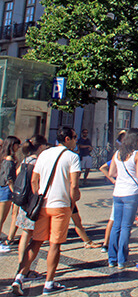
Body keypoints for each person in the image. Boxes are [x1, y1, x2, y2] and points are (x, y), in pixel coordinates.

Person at [12, 127, 81, 296]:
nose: (75, 140)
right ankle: (49, 282)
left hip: (43, 204)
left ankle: (19, 277)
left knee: (35, 242)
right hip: (61, 205)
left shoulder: (44, 154)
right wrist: (74, 199)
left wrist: (39, 195)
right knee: (55, 245)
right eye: (74, 137)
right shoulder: (73, 157)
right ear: (67, 139)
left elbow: (34, 180)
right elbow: (73, 185)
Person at [12, 135, 48, 284]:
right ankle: (25, 269)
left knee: (25, 235)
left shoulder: (25, 160)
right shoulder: (38, 162)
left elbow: (17, 175)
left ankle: (21, 264)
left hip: (24, 201)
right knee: (34, 238)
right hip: (33, 202)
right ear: (40, 147)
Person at [107, 128, 138, 268]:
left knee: (116, 225)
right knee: (126, 227)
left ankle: (112, 258)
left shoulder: (117, 153)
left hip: (118, 193)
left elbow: (111, 172)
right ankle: (122, 259)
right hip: (131, 193)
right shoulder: (137, 154)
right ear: (137, 139)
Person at [0, 135, 21, 250]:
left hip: (5, 188)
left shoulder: (7, 157)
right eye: (17, 144)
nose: (19, 147)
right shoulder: (8, 159)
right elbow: (9, 178)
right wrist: (14, 191)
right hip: (6, 189)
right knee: (1, 217)